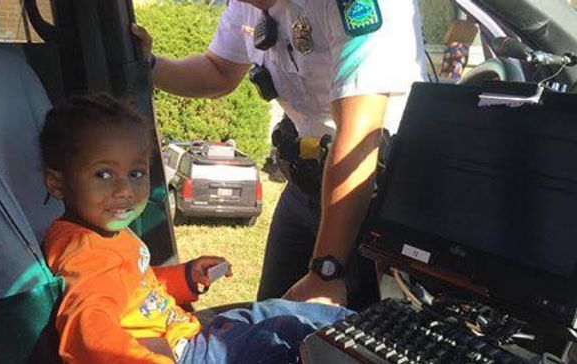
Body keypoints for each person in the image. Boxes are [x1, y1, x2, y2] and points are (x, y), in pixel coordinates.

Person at [131, 0, 427, 306]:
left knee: (361, 338)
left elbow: (358, 139)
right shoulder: (245, 6)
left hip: (383, 195)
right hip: (307, 183)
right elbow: (218, 71)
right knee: (272, 316)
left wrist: (326, 272)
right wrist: (147, 64)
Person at [39, 93, 353, 363]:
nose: (125, 190)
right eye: (104, 175)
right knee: (295, 332)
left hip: (191, 332)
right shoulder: (84, 251)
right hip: (187, 352)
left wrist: (185, 277)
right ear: (57, 182)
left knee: (285, 313)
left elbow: (134, 286)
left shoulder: (106, 231)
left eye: (136, 173)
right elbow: (88, 337)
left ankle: (367, 332)